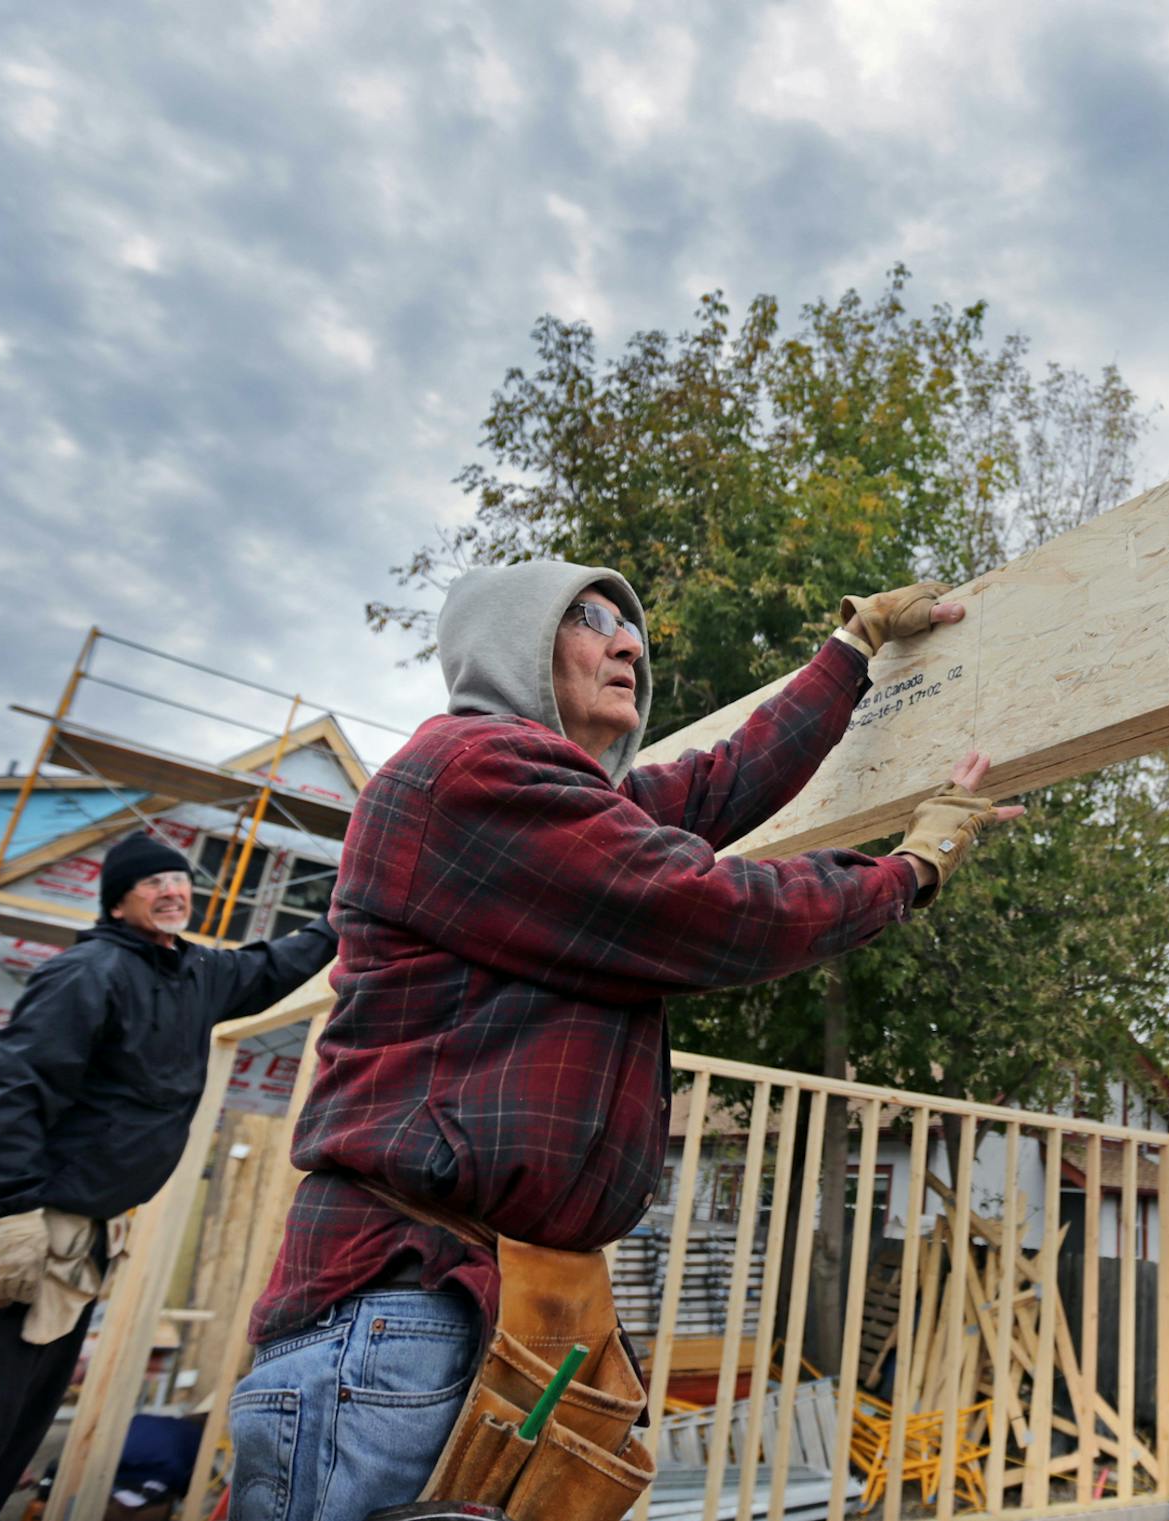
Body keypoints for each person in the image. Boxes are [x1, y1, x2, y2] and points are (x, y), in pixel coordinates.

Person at [234, 561, 1018, 1521]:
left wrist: (851, 648)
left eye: (631, 626)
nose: (631, 645)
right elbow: (706, 907)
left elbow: (722, 784)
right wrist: (907, 871)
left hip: (474, 1307)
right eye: (592, 620)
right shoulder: (472, 773)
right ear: (514, 649)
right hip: (405, 1305)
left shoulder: (551, 803)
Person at [0, 832, 341, 1521]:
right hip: (32, 1230)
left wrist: (348, 906)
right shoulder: (87, 972)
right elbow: (16, 1089)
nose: (172, 892)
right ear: (118, 901)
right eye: (153, 883)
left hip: (86, 1238)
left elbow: (277, 964)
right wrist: (10, 1212)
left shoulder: (193, 974)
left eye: (180, 881)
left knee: (22, 1420)